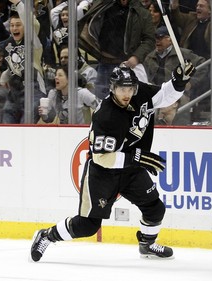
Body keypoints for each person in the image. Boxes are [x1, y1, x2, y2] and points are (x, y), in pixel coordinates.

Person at [30, 60, 196, 261]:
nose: (126, 94)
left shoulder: (140, 93)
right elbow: (102, 158)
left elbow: (164, 95)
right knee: (87, 226)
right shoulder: (105, 115)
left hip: (132, 169)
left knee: (155, 208)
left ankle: (147, 244)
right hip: (103, 174)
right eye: (121, 89)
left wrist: (179, 81)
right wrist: (137, 157)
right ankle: (47, 235)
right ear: (112, 88)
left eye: (130, 89)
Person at [78, 0, 155, 100]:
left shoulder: (142, 13)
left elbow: (149, 40)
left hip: (125, 66)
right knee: (100, 105)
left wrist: (136, 57)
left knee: (125, 105)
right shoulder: (103, 4)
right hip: (104, 65)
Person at [143, 25, 209, 123]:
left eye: (160, 38)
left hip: (178, 92)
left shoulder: (182, 54)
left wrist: (190, 83)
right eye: (156, 38)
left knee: (181, 103)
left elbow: (203, 65)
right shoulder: (149, 57)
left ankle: (181, 129)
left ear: (170, 39)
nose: (157, 41)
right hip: (157, 92)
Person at [2, 0, 46, 124]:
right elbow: (14, 66)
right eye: (12, 25)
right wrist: (5, 75)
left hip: (34, 90)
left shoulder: (33, 41)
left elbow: (30, 22)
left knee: (25, 125)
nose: (14, 28)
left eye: (18, 24)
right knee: (7, 118)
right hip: (15, 92)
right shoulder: (8, 45)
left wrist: (18, 3)